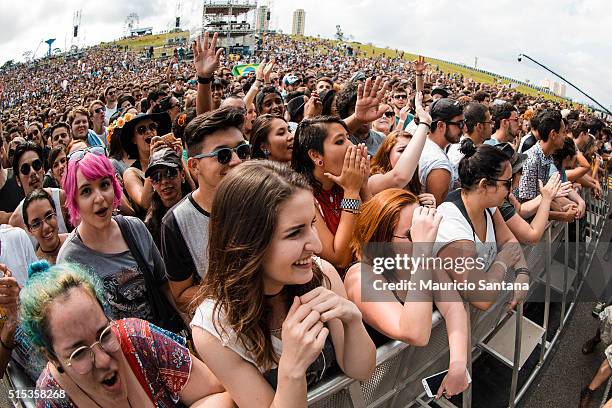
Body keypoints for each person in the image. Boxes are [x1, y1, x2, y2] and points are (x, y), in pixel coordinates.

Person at [190, 161, 375, 407]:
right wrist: (292, 368)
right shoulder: (215, 328)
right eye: (294, 233)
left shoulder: (322, 274)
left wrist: (353, 321)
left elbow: (362, 370)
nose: (317, 246)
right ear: (248, 243)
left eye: (311, 224)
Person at [19, 262, 232, 407]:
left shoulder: (139, 339)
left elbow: (217, 395)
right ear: (53, 358)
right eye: (79, 353)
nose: (103, 360)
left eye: (104, 334)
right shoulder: (52, 398)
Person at [345, 188, 470, 399]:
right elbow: (415, 333)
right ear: (382, 239)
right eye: (410, 233)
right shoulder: (360, 277)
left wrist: (458, 364)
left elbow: (454, 307)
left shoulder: (419, 258)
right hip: (374, 392)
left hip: (410, 379)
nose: (422, 237)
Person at [57, 149, 183, 333]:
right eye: (86, 191)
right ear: (74, 200)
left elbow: (165, 286)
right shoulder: (69, 260)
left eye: (104, 185)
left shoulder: (135, 228)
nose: (99, 198)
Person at [161, 107, 250, 314]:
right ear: (193, 166)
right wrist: (237, 285)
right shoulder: (176, 222)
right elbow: (182, 296)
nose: (236, 161)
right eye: (223, 155)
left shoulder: (266, 198)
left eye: (242, 151)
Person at [433, 140, 529, 310]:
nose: (510, 190)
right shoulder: (452, 226)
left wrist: (522, 273)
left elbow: (509, 241)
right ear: (484, 185)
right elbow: (480, 296)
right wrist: (502, 261)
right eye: (507, 183)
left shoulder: (488, 206)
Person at [291, 116, 369, 271]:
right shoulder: (300, 195)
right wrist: (352, 192)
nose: (351, 146)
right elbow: (339, 259)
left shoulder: (345, 183)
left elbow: (376, 231)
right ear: (316, 156)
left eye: (348, 138)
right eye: (340, 141)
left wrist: (364, 185)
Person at [368, 91, 431, 197]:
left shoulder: (413, 183)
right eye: (401, 150)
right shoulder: (373, 180)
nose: (408, 155)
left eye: (410, 150)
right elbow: (399, 177)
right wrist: (425, 122)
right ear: (387, 154)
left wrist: (424, 205)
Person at [9, 142, 69, 240]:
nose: (32, 172)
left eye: (36, 165)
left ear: (43, 170)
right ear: (18, 180)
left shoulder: (61, 198)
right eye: (25, 169)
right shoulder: (16, 222)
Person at [120, 111, 173, 218]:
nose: (149, 132)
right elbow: (145, 204)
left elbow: (192, 187)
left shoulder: (170, 158)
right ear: (134, 139)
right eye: (141, 130)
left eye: (152, 127)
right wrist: (152, 159)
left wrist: (179, 158)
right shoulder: (131, 173)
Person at [418, 98, 464, 204]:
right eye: (459, 124)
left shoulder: (422, 142)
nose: (463, 128)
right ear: (440, 125)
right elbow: (436, 209)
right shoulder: (440, 166)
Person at [143, 148, 191, 250]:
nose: (164, 181)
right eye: (157, 177)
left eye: (170, 173)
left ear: (182, 175)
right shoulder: (150, 223)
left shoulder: (195, 207)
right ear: (152, 183)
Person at [23, 189, 69, 264]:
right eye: (36, 224)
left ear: (55, 214)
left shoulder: (77, 242)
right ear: (29, 230)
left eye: (49, 216)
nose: (46, 227)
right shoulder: (36, 268)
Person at [447, 102, 493, 169]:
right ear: (479, 126)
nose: (492, 125)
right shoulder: (462, 155)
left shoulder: (472, 147)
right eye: (489, 122)